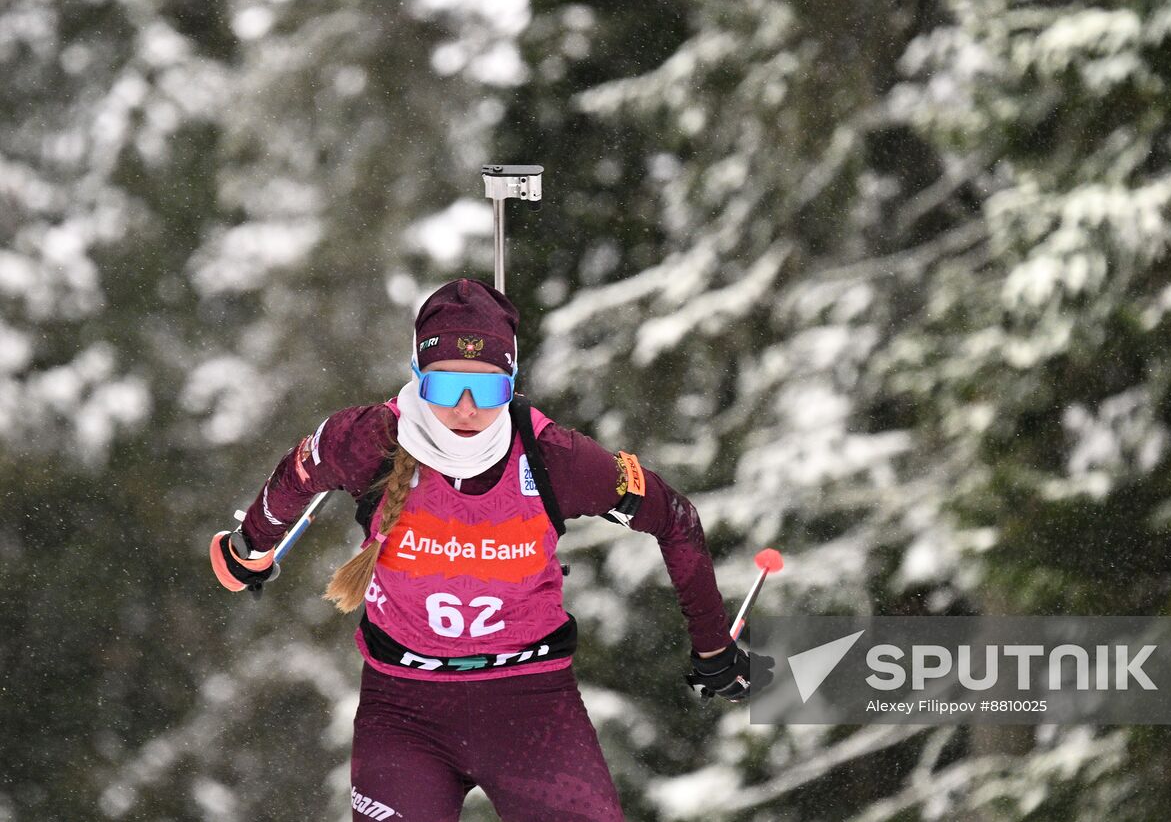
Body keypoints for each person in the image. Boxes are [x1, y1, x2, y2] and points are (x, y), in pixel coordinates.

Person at [209, 278, 766, 822]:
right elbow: (297, 475)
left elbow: (675, 517)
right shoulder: (371, 439)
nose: (468, 409)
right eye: (447, 388)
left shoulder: (556, 458)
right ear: (418, 378)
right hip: (403, 711)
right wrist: (250, 545)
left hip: (532, 707)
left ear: (513, 381)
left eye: (490, 389)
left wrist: (714, 648)